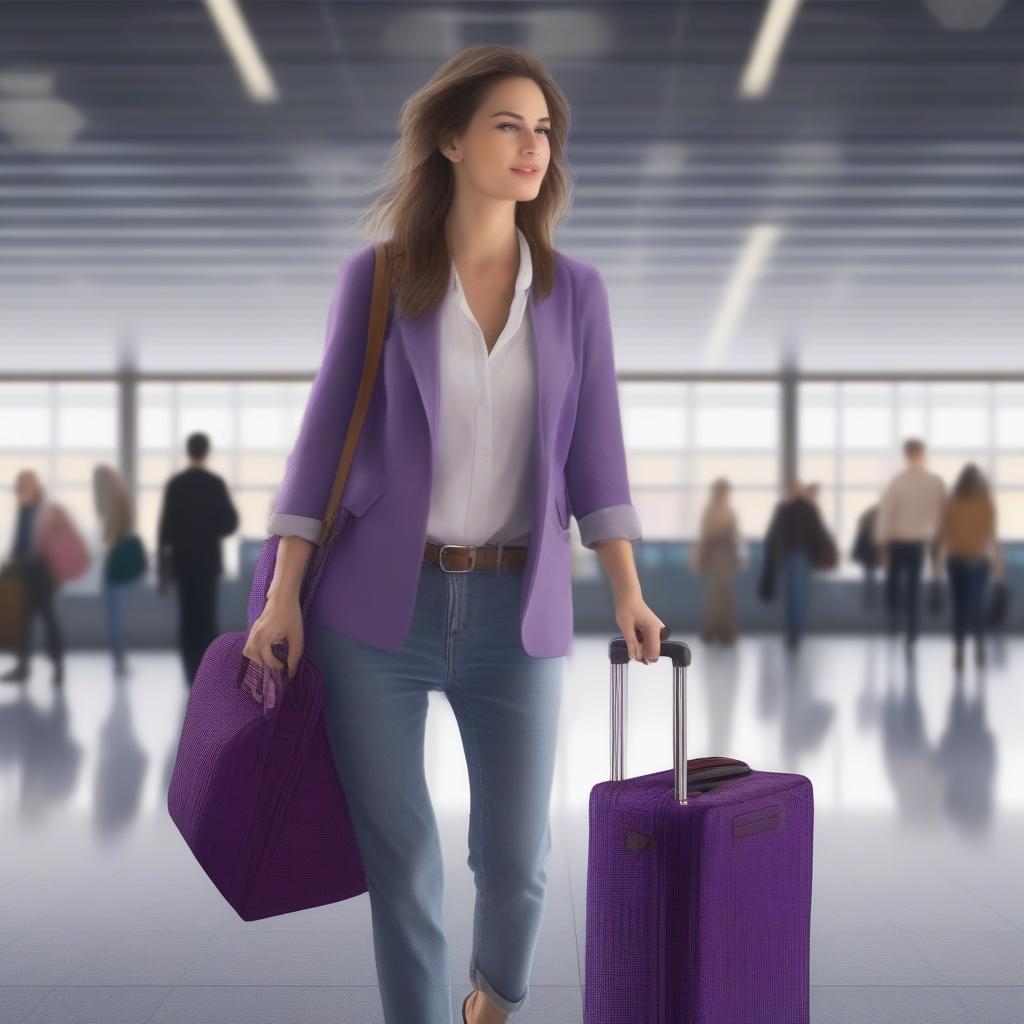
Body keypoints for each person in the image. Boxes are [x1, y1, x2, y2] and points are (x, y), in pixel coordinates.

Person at [242, 47, 666, 1024]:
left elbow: (596, 456)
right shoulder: (382, 276)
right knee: (404, 864)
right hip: (373, 615)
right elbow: (321, 447)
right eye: (507, 125)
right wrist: (280, 597)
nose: (531, 147)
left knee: (517, 861)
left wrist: (630, 589)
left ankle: (495, 998)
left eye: (543, 129)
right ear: (448, 139)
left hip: (518, 613)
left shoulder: (576, 294)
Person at [157, 432, 239, 686]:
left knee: (187, 619)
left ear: (188, 451)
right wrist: (210, 531)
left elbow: (165, 529)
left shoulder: (176, 485)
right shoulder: (214, 484)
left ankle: (189, 675)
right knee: (206, 617)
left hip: (183, 563)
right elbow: (231, 522)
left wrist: (163, 570)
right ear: (206, 452)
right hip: (207, 562)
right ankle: (208, 675)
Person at [874, 438, 946, 652]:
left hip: (897, 542)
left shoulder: (898, 481)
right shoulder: (935, 482)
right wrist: (937, 546)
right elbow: (942, 515)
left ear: (906, 455)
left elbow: (886, 514)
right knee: (913, 590)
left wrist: (882, 545)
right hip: (918, 543)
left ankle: (894, 622)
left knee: (893, 587)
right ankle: (911, 633)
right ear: (922, 454)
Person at [1, 470, 70, 686]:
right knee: (23, 620)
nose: (21, 488)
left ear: (34, 486)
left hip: (42, 574)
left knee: (48, 620)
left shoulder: (45, 509)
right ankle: (23, 668)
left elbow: (50, 544)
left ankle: (58, 666)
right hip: (25, 573)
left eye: (25, 484)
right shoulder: (24, 508)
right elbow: (20, 540)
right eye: (19, 484)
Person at [936, 463, 1003, 671]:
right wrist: (998, 560)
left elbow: (942, 532)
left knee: (959, 607)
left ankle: (959, 651)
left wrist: (936, 559)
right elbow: (992, 534)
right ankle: (979, 646)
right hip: (979, 560)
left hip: (955, 559)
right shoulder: (987, 503)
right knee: (977, 606)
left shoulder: (951, 502)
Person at [761, 480, 835, 649]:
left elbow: (774, 534)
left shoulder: (783, 509)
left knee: (791, 597)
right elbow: (818, 533)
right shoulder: (809, 509)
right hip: (803, 557)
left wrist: (774, 557)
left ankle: (792, 634)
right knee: (800, 597)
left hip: (787, 557)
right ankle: (796, 634)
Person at [93, 464, 144, 678]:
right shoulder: (121, 498)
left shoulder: (107, 502)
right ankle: (119, 659)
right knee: (117, 617)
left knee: (114, 617)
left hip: (115, 567)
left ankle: (119, 659)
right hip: (123, 568)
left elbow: (110, 534)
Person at [690, 477, 743, 644]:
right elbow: (705, 537)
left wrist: (736, 557)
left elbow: (734, 536)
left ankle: (726, 632)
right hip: (714, 557)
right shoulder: (711, 511)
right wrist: (699, 559)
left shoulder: (728, 511)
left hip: (726, 557)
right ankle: (712, 631)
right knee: (714, 595)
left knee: (725, 594)